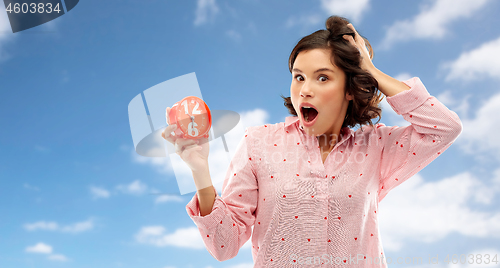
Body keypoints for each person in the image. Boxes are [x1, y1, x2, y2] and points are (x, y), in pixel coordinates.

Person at [162, 16, 462, 267]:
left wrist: (369, 69)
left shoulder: (376, 147)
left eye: (322, 78)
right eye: (298, 77)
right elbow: (224, 246)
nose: (304, 90)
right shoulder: (259, 143)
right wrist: (200, 171)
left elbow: (444, 128)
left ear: (349, 89)